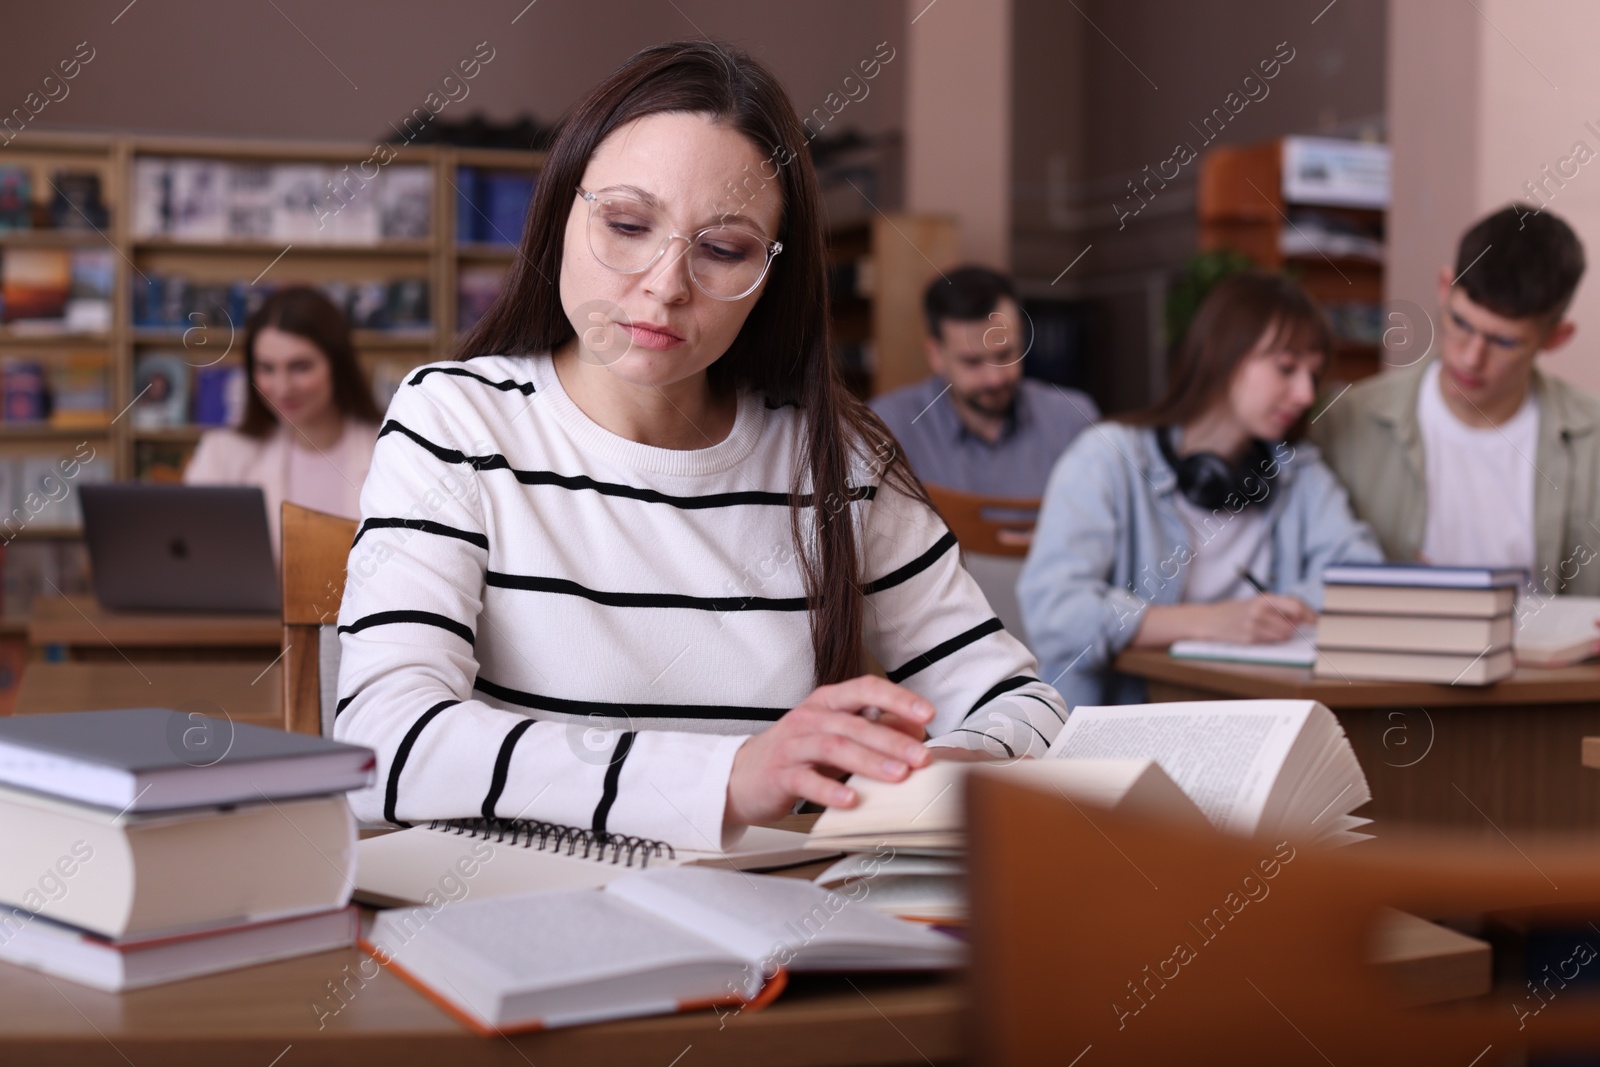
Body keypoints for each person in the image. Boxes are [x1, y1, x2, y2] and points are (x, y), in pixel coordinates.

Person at [332, 41, 1066, 848]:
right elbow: (383, 747)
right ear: (559, 215)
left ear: (772, 275)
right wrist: (723, 779)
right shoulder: (456, 421)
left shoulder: (837, 458)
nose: (665, 283)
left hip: (766, 928)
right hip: (516, 916)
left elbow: (1020, 701)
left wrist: (945, 766)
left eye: (724, 249)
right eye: (626, 224)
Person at [1019, 273, 1382, 709]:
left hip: (1255, 717)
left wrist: (1276, 614)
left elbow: (1363, 577)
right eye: (1286, 368)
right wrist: (1213, 623)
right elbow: (1055, 612)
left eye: (1313, 374)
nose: (1306, 394)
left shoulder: (1298, 471)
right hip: (1125, 724)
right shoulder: (1107, 457)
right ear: (1222, 358)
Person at [1310, 206, 1600, 597]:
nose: (1470, 358)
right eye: (1460, 323)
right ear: (1445, 286)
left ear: (1556, 338)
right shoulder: (1344, 422)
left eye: (1504, 342)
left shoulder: (1592, 440)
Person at [184, 286, 382, 557]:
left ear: (338, 364)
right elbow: (194, 560)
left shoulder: (391, 451)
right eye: (267, 368)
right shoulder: (221, 453)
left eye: (300, 367)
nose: (283, 387)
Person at [869, 266, 1099, 497]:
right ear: (936, 356)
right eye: (972, 362)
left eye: (1005, 355)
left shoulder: (1072, 419)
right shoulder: (888, 428)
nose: (994, 378)